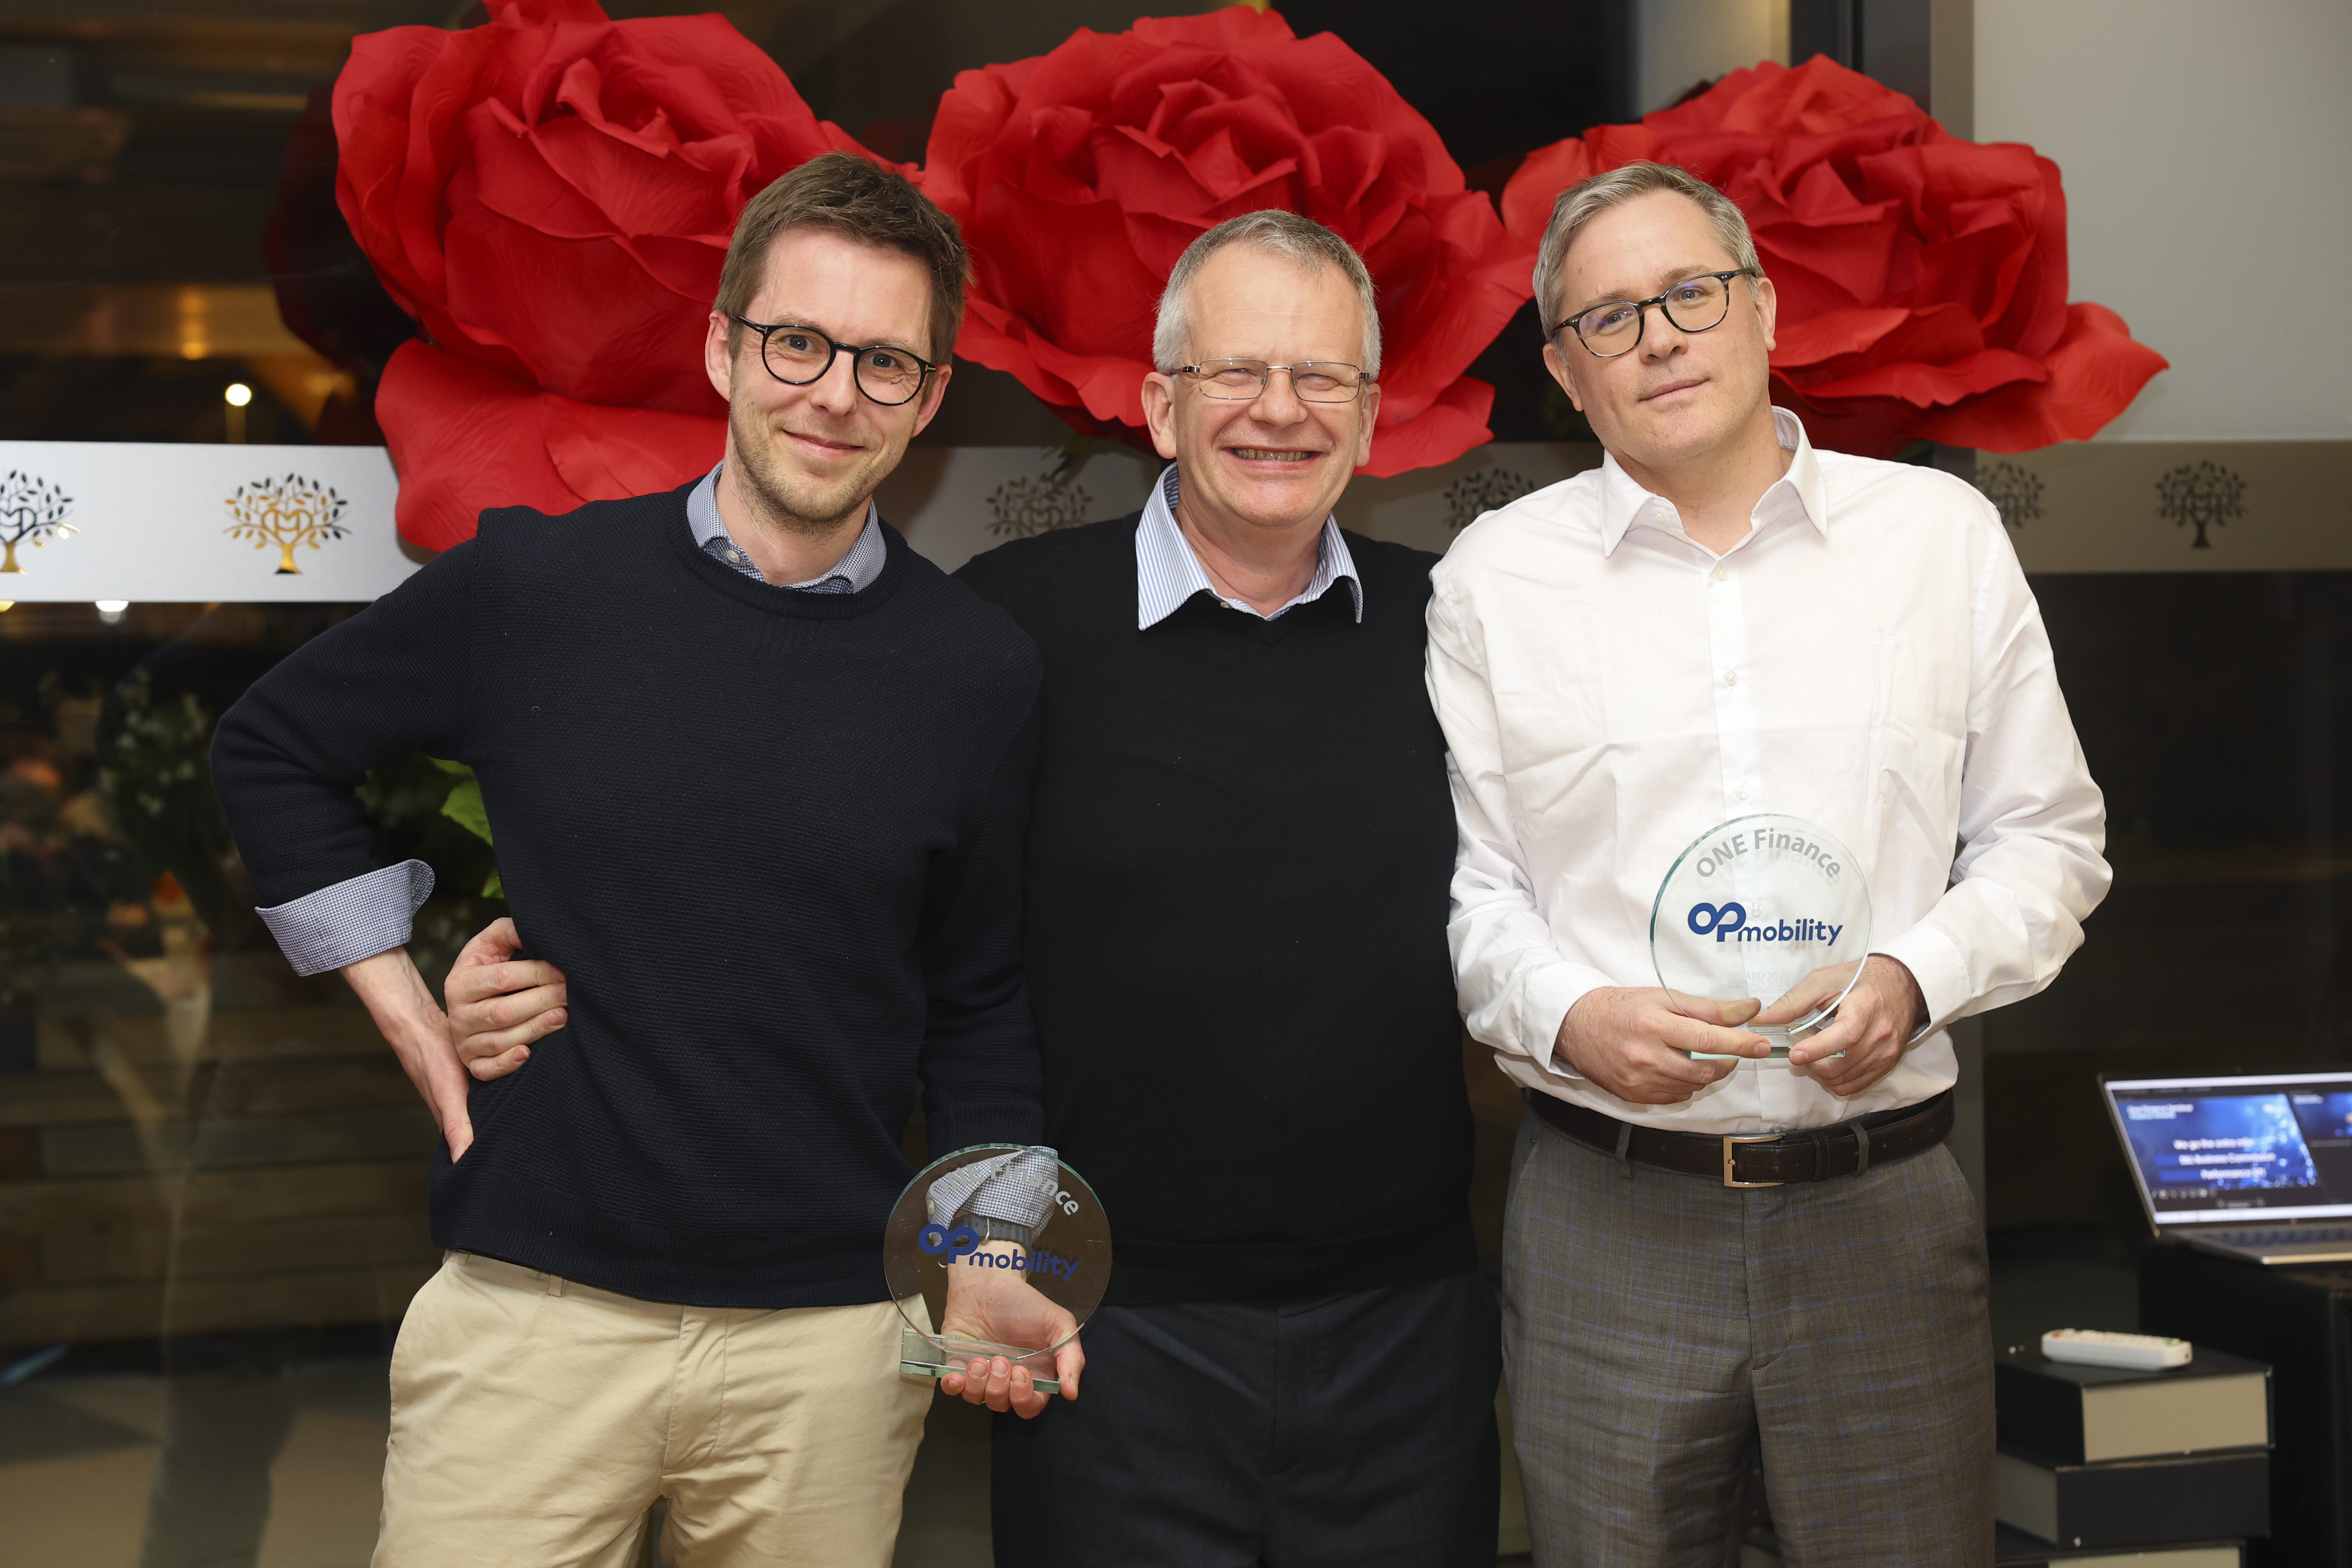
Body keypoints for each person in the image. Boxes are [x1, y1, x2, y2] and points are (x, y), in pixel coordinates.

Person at [455, 210, 1501, 1566]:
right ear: (1158, 404)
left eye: (1322, 378)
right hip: (1094, 1326)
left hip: (1408, 1325)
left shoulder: (1457, 628)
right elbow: (838, 896)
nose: (1279, 410)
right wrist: (542, 968)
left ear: (1371, 414)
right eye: (1237, 371)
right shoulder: (1001, 626)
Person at [208, 152, 1073, 1568]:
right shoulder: (534, 589)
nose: (834, 393)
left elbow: (978, 1000)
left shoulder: (980, 672)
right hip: (531, 1325)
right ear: (723, 348)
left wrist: (992, 1251)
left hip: (830, 1353)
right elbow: (271, 747)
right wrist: (413, 1016)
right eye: (797, 342)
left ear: (929, 401)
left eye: (885, 363)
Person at [1425, 159, 2111, 1566]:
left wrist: (1916, 978)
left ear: (1766, 309)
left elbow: (2050, 839)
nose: (1659, 339)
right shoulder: (1494, 579)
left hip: (1882, 1213)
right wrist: (1571, 1016)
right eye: (1608, 318)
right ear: (1563, 370)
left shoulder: (1938, 541)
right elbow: (1477, 895)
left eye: (1691, 292)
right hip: (1609, 1217)